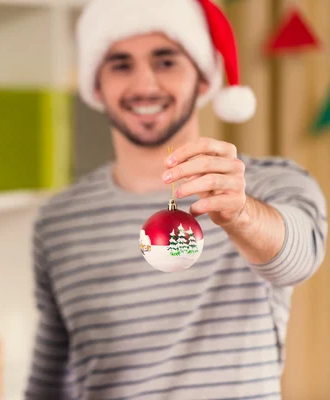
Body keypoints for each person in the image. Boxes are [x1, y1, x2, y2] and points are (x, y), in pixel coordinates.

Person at [24, 0, 328, 399]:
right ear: (96, 86)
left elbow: (300, 256)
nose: (145, 84)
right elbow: (49, 380)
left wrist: (240, 214)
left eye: (165, 62)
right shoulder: (58, 222)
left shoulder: (272, 183)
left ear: (204, 79)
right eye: (120, 64)